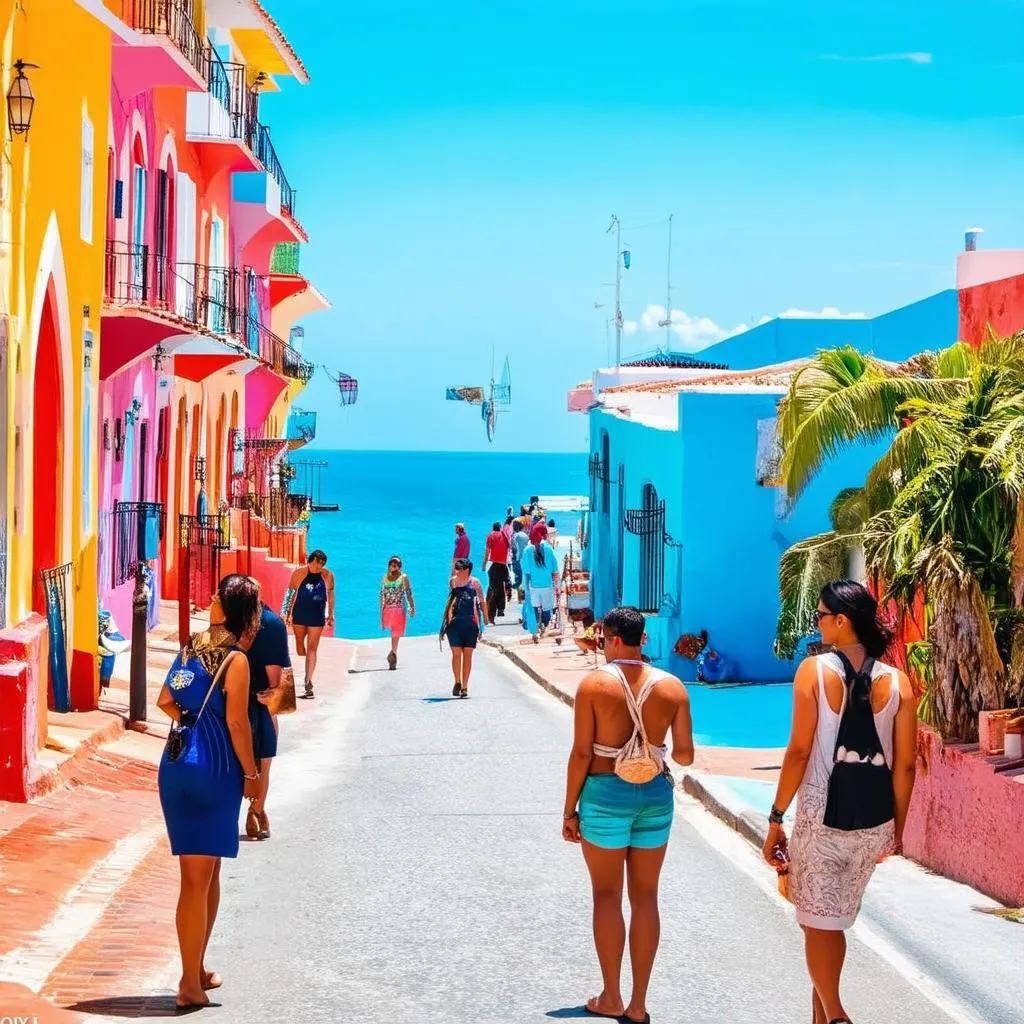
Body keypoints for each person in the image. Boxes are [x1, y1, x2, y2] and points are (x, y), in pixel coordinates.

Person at [763, 580, 917, 1024]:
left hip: (820, 817)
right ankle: (820, 1016)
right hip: (874, 822)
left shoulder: (815, 671)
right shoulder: (899, 683)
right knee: (829, 918)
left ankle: (835, 1015)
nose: (817, 623)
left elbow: (798, 752)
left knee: (819, 920)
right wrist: (897, 832)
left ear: (841, 621)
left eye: (821, 616)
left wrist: (776, 817)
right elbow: (904, 767)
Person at [562, 607, 694, 1024]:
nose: (601, 646)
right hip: (655, 797)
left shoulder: (594, 686)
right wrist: (650, 749)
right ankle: (638, 1004)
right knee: (646, 897)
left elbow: (582, 753)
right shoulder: (672, 687)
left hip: (604, 797)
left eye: (603, 639)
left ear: (615, 639)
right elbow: (686, 755)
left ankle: (611, 997)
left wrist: (569, 810)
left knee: (606, 895)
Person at [156, 575, 262, 1011]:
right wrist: (252, 774)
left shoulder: (191, 646)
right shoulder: (235, 660)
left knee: (206, 873)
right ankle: (188, 983)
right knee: (198, 880)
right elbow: (238, 724)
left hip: (177, 765)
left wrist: (193, 721)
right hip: (214, 770)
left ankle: (196, 967)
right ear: (249, 614)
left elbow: (167, 699)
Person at [238, 577, 290, 839]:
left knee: (237, 763)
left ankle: (251, 811)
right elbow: (275, 683)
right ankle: (257, 810)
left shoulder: (228, 623)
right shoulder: (271, 624)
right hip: (261, 701)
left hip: (231, 702)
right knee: (263, 764)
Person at [284, 550, 334, 698]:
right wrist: (285, 613)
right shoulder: (298, 574)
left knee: (312, 648)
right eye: (317, 562)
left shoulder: (328, 576)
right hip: (299, 615)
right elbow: (290, 594)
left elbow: (331, 595)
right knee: (300, 648)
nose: (320, 566)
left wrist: (331, 614)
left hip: (317, 616)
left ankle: (308, 681)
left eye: (322, 563)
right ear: (310, 561)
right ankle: (303, 653)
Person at [441, 557, 486, 698]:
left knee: (468, 654)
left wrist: (486, 618)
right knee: (456, 654)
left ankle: (465, 686)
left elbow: (481, 600)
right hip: (454, 623)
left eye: (459, 568)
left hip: (471, 623)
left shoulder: (476, 583)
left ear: (466, 570)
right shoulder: (453, 581)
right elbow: (451, 602)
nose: (456, 571)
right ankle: (457, 682)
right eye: (456, 568)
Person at [523, 523, 560, 640]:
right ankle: (544, 627)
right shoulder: (549, 548)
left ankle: (535, 630)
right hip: (547, 586)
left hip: (533, 586)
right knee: (546, 610)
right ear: (544, 535)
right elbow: (555, 571)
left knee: (534, 608)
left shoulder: (528, 549)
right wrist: (557, 586)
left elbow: (526, 570)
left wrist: (526, 587)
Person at [380, 555, 415, 669]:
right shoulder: (385, 578)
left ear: (399, 566)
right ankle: (393, 653)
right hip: (388, 609)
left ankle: (393, 654)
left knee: (396, 633)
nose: (393, 566)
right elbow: (382, 596)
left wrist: (412, 606)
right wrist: (381, 612)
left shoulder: (403, 577)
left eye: (396, 564)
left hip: (399, 609)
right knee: (394, 632)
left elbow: (408, 592)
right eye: (392, 564)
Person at [484, 520, 511, 624]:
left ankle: (491, 615)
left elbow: (487, 552)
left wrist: (484, 565)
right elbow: (508, 547)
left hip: (493, 564)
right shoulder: (504, 535)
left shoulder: (490, 535)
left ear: (492, 528)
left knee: (493, 589)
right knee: (501, 586)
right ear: (499, 528)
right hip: (503, 565)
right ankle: (501, 609)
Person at [510, 519, 528, 601]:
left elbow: (514, 546)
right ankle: (522, 591)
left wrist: (514, 557)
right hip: (524, 557)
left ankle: (517, 591)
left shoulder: (516, 535)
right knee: (522, 574)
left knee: (517, 575)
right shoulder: (525, 535)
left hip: (517, 557)